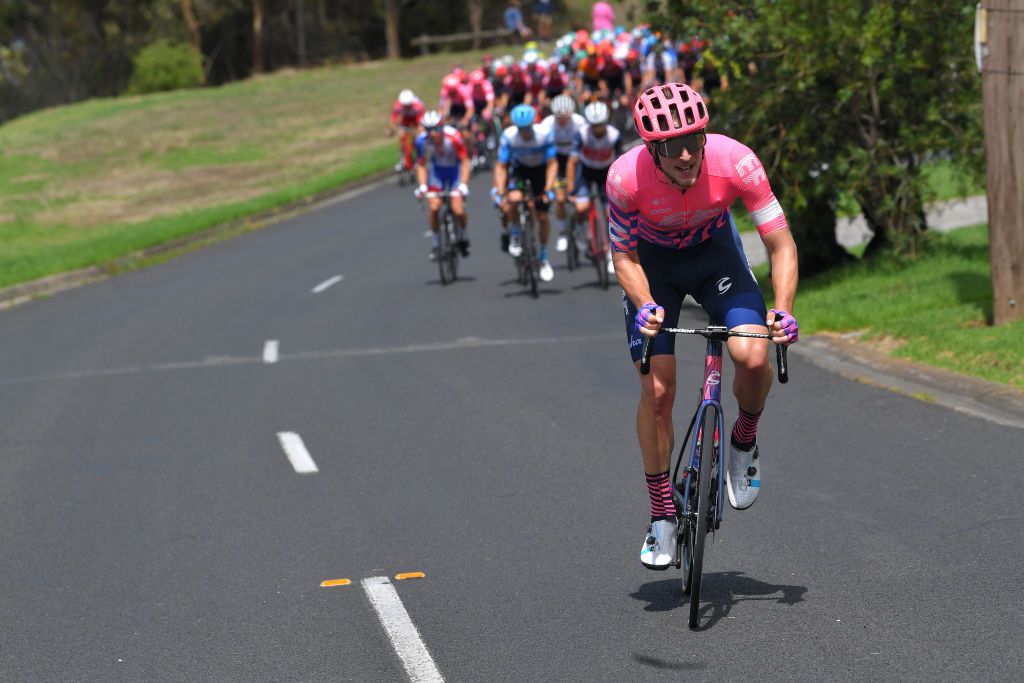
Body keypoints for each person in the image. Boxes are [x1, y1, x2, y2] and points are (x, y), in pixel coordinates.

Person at [606, 83, 798, 569]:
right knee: (658, 391)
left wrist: (784, 307)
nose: (688, 154)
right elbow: (623, 256)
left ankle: (744, 440)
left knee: (753, 356)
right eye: (673, 147)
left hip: (717, 260)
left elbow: (780, 244)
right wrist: (646, 303)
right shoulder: (625, 178)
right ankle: (661, 515)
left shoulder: (736, 162)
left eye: (695, 138)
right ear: (652, 149)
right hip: (655, 270)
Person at [492, 103, 558, 282]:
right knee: (513, 199)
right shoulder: (509, 136)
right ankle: (515, 233)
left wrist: (548, 189)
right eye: (521, 129)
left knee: (543, 216)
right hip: (520, 169)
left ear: (533, 124)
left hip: (540, 170)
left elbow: (552, 163)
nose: (525, 132)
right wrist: (499, 192)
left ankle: (543, 257)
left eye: (527, 128)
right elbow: (501, 166)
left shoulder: (544, 134)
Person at [566, 100, 622, 276]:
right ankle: (584, 235)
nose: (597, 129)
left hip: (606, 172)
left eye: (600, 125)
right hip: (586, 172)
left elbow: (621, 163)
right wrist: (570, 188)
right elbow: (572, 161)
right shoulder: (581, 134)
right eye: (594, 126)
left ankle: (611, 254)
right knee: (581, 207)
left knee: (610, 214)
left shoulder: (614, 135)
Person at [413, 111, 472, 261]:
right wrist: (422, 187)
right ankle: (435, 243)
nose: (432, 134)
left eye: (435, 130)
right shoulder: (421, 141)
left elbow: (465, 161)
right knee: (434, 207)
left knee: (458, 209)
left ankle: (463, 236)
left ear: (441, 128)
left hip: (455, 172)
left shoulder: (454, 137)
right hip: (437, 173)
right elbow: (421, 165)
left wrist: (464, 185)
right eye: (428, 130)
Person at [539, 94, 585, 251]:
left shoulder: (579, 122)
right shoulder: (547, 124)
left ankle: (579, 229)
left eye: (566, 117)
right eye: (559, 117)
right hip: (557, 161)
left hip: (576, 160)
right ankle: (563, 232)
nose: (563, 120)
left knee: (580, 201)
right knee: (559, 198)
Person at [387, 89, 425, 172]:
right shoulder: (398, 105)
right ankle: (401, 158)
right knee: (402, 136)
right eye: (405, 105)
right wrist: (392, 130)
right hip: (406, 120)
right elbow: (393, 119)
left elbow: (420, 123)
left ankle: (417, 157)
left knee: (417, 138)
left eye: (408, 105)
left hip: (415, 120)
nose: (406, 107)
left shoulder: (418, 106)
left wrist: (417, 131)